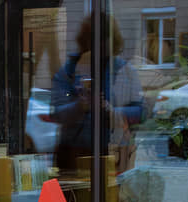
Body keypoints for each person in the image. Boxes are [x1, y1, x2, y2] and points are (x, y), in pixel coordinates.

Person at [50, 14, 143, 174]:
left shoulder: (125, 71)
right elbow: (56, 114)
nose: (99, 48)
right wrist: (81, 106)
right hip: (75, 154)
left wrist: (111, 112)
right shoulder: (70, 70)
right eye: (94, 40)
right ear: (85, 41)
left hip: (111, 153)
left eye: (103, 40)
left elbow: (141, 112)